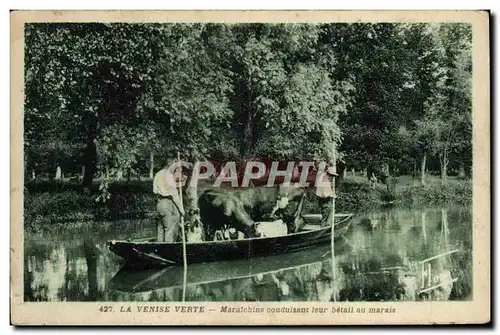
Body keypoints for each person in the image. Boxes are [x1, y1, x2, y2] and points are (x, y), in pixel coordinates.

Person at [153, 159, 185, 242]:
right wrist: (181, 209)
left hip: (159, 203)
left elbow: (154, 190)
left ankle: (159, 249)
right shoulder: (169, 176)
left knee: (160, 230)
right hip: (167, 203)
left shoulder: (157, 174)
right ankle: (168, 251)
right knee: (169, 230)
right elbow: (175, 196)